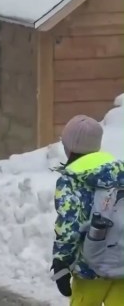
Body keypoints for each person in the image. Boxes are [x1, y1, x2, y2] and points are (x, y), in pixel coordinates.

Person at [51, 115, 124, 305]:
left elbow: (69, 226)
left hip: (89, 268)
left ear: (70, 146)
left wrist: (62, 262)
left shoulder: (71, 180)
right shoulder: (120, 171)